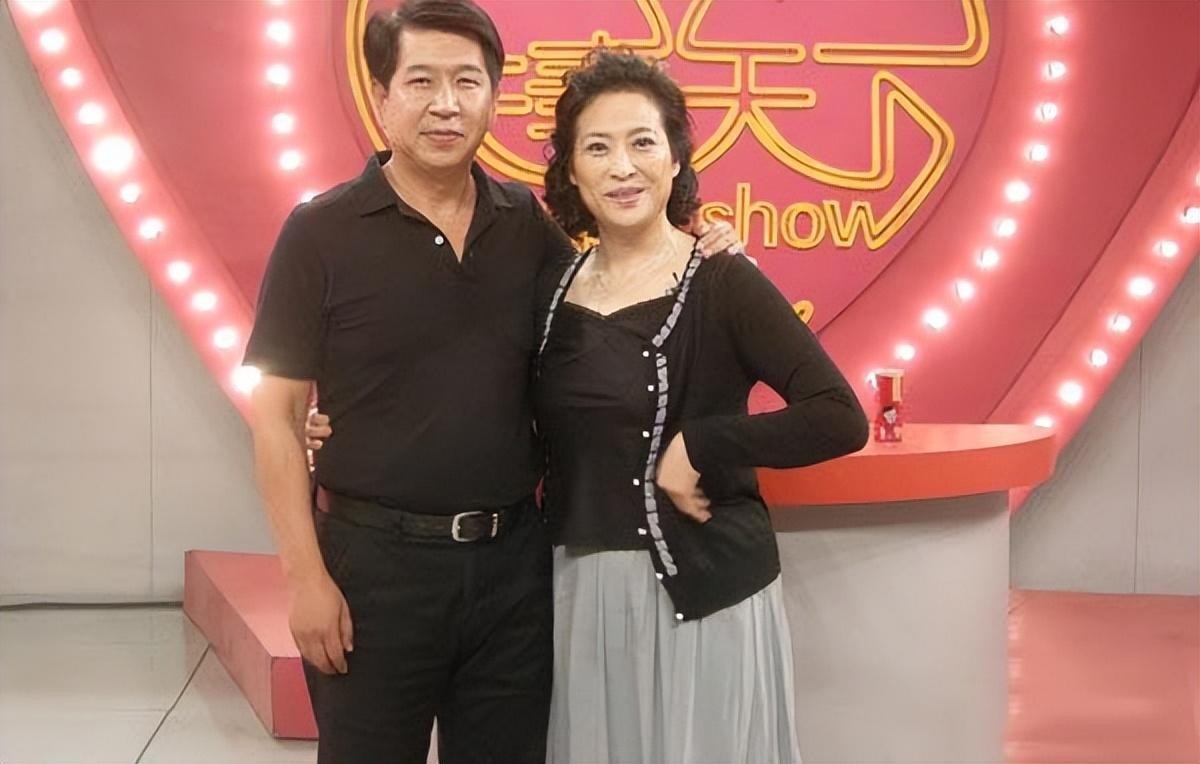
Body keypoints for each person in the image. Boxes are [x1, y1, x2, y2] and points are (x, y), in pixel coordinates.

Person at [246, 2, 737, 762]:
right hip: (373, 569)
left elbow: (615, 292)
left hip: (513, 570)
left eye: (466, 82)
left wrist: (701, 244)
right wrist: (304, 578)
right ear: (381, 97)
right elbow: (276, 415)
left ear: (493, 96)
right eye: (421, 82)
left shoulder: (524, 221)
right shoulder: (320, 232)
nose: (446, 104)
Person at [533, 50, 869, 763]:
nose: (623, 167)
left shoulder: (723, 279)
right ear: (570, 172)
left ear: (676, 159)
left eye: (642, 142)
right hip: (578, 593)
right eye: (598, 148)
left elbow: (838, 414)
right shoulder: (550, 290)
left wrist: (704, 444)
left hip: (703, 598)